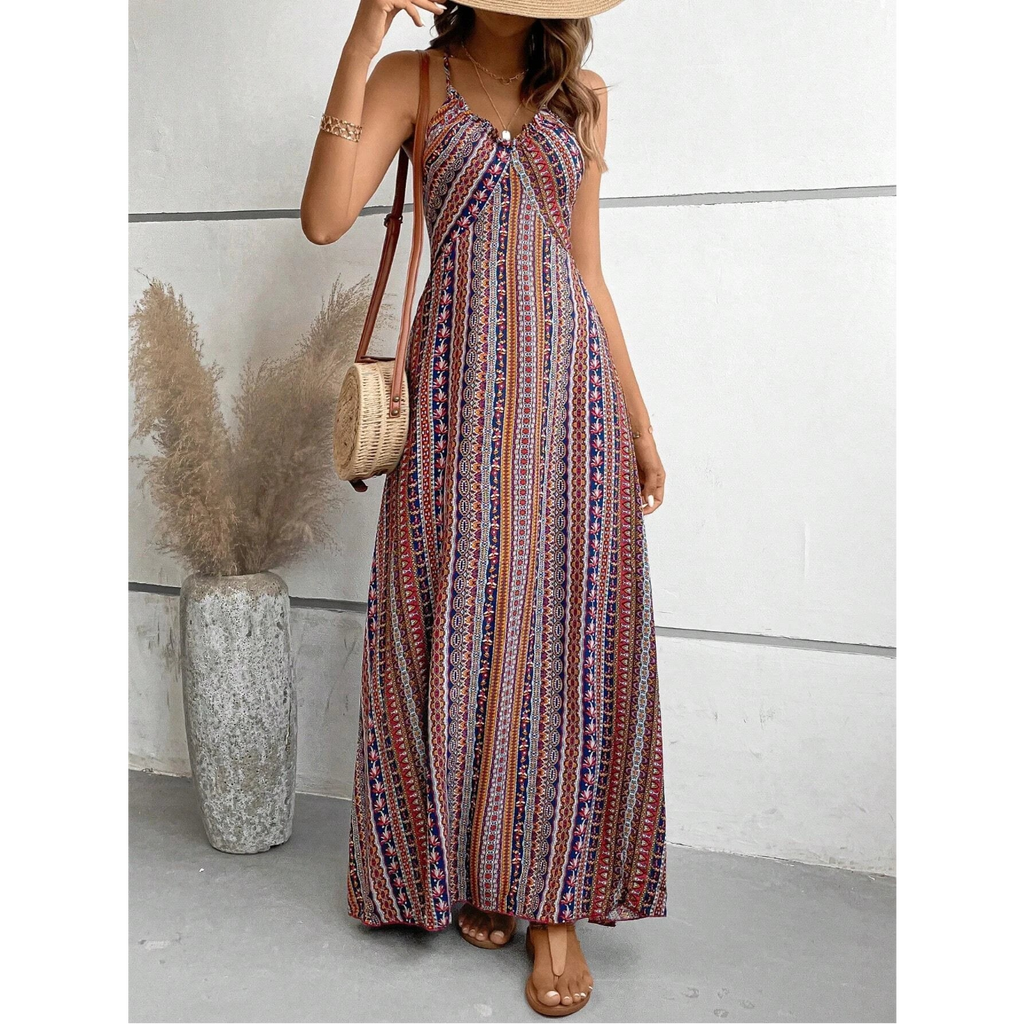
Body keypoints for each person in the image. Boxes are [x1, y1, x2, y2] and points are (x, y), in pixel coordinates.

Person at [301, 0, 667, 1015]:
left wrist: (638, 422)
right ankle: (484, 866)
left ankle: (554, 907)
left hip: (571, 405)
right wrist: (364, 32)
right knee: (462, 627)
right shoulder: (413, 80)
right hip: (457, 401)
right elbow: (325, 218)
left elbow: (588, 273)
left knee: (563, 635)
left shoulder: (582, 97)